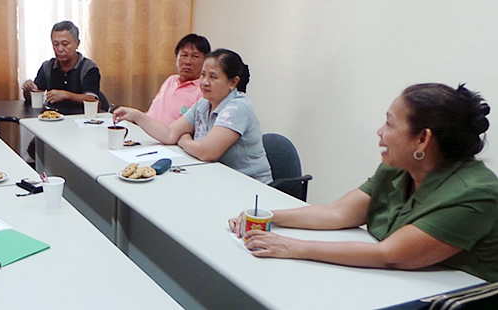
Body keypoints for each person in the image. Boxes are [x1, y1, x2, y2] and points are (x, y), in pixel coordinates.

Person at [229, 83, 498, 282]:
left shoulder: (475, 192)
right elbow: (338, 213)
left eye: (390, 125)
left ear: (423, 139)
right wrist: (266, 217)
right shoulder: (399, 169)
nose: (380, 133)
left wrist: (293, 247)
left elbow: (391, 255)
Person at [113, 49, 273, 184]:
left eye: (213, 77)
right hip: (217, 178)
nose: (204, 82)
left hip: (249, 186)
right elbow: (169, 134)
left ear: (233, 82)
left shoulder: (238, 107)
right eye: (203, 75)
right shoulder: (204, 103)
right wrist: (136, 115)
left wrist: (184, 140)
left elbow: (207, 152)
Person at [22, 20, 108, 114]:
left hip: (82, 119)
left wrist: (66, 95)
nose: (59, 49)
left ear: (77, 43)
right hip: (55, 118)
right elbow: (33, 98)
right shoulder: (47, 67)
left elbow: (93, 99)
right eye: (55, 44)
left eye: (65, 44)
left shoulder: (88, 68)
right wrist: (29, 90)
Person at [146, 34, 211, 125]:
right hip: (145, 133)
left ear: (205, 62)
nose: (188, 62)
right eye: (184, 55)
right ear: (176, 59)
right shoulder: (170, 80)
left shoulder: (203, 90)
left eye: (195, 56)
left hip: (170, 138)